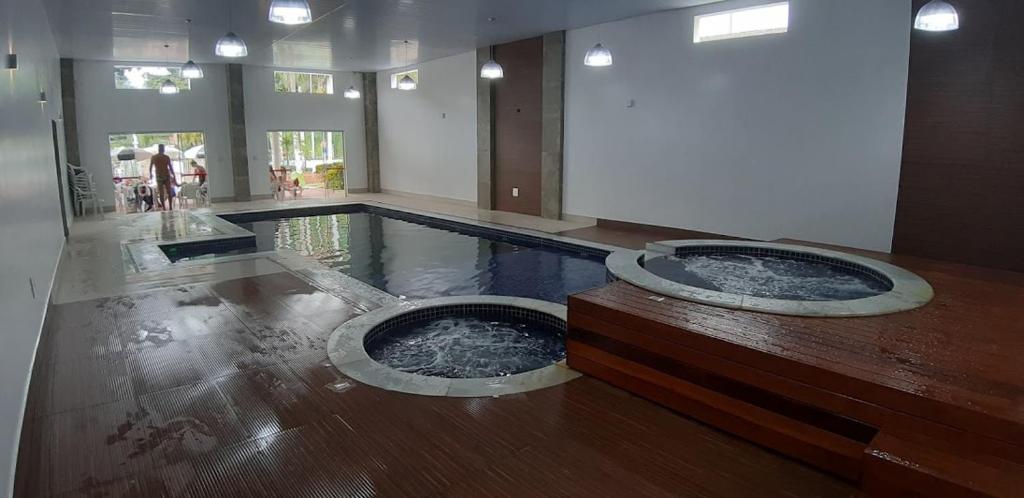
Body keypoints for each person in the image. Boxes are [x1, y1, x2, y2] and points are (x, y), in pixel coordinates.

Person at [149, 144, 177, 210]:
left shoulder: (154, 157)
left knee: (162, 192)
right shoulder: (166, 157)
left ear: (158, 149)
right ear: (163, 149)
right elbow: (170, 168)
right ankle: (169, 207)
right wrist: (173, 175)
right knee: (168, 191)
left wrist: (150, 174)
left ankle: (165, 207)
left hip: (160, 175)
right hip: (166, 175)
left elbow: (150, 167)